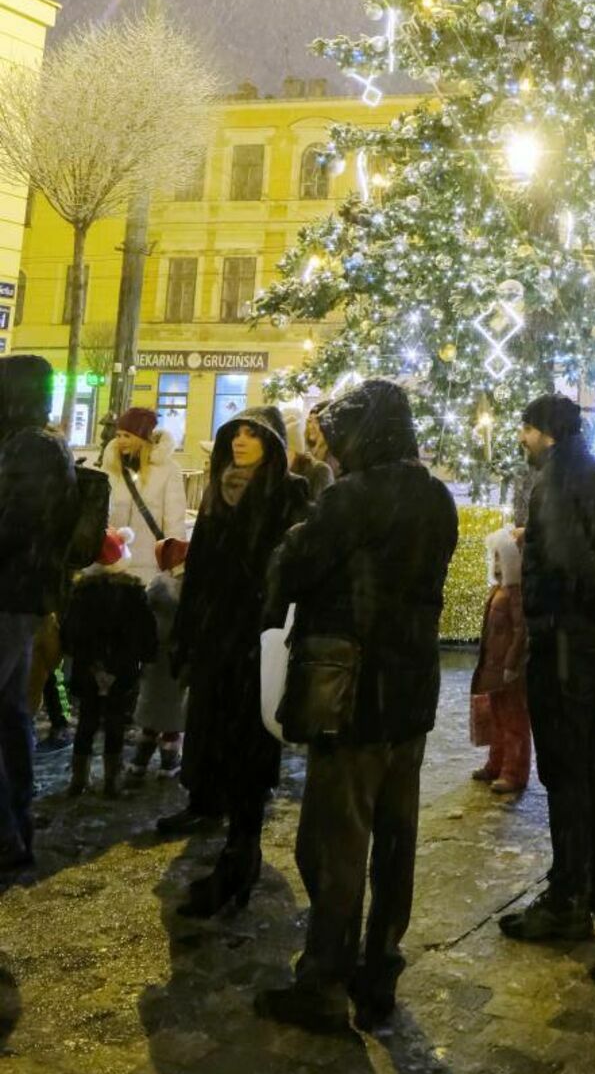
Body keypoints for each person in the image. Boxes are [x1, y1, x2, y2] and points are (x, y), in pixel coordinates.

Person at [255, 379, 457, 1034]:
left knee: (334, 841)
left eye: (341, 440)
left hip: (353, 690)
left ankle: (323, 980)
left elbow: (292, 566)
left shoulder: (351, 497)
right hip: (411, 691)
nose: (335, 453)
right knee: (396, 840)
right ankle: (380, 972)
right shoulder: (435, 496)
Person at [499, 393, 595, 943]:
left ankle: (567, 898)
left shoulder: (554, 481)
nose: (522, 439)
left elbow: (571, 563)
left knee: (566, 772)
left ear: (546, 433)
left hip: (566, 644)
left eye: (527, 429)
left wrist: (559, 600)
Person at [161, 412, 308, 915]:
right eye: (234, 434)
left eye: (252, 435)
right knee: (208, 724)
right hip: (214, 633)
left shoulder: (289, 491)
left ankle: (242, 846)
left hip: (257, 637)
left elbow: (289, 569)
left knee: (249, 742)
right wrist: (187, 629)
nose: (241, 442)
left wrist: (269, 622)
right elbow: (201, 563)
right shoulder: (218, 488)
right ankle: (204, 802)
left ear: (270, 444)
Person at [0, 355, 80, 875]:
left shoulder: (30, 448)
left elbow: (13, 527)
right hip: (19, 598)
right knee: (10, 717)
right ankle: (14, 829)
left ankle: (7, 835)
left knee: (10, 717)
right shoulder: (33, 444)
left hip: (9, 597)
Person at [59, 526, 157, 798]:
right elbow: (145, 632)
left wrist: (89, 661)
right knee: (115, 723)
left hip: (88, 668)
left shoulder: (82, 593)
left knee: (86, 722)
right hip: (122, 669)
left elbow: (70, 633)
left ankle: (78, 780)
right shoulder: (133, 593)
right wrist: (144, 658)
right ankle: (112, 782)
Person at [470, 527, 530, 796]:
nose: (495, 565)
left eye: (500, 559)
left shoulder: (515, 595)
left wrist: (511, 664)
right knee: (497, 718)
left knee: (514, 721)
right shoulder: (499, 591)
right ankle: (496, 764)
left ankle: (514, 771)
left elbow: (520, 631)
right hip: (494, 669)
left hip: (507, 672)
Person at [100, 405, 190, 582]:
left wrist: (175, 563)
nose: (121, 440)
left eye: (127, 435)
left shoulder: (168, 470)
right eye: (118, 435)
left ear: (143, 438)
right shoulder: (111, 468)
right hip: (111, 562)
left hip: (148, 566)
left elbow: (174, 520)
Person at [127, 536, 189, 784]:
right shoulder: (189, 589)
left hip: (154, 661)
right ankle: (169, 763)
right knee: (173, 720)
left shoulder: (155, 587)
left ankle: (139, 762)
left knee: (150, 718)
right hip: (176, 661)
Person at [289, 402, 334, 502]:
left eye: (317, 422)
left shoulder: (335, 456)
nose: (311, 427)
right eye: (309, 421)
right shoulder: (303, 451)